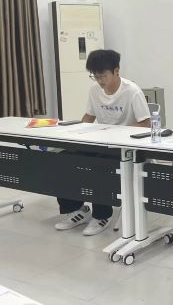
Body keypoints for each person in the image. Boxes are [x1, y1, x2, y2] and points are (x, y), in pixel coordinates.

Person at [55, 49, 151, 236]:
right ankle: (76, 210)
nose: (99, 81)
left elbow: (145, 124)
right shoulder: (94, 90)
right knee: (64, 159)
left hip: (125, 147)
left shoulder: (132, 91)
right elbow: (89, 116)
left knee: (98, 165)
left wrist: (117, 133)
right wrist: (76, 135)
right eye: (95, 76)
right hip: (101, 142)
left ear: (116, 71)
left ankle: (102, 215)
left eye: (103, 76)